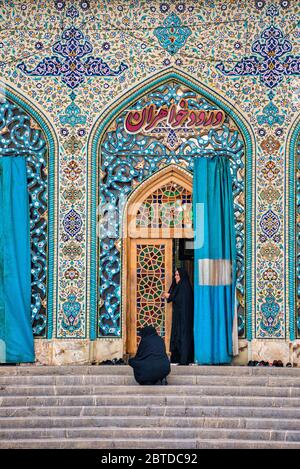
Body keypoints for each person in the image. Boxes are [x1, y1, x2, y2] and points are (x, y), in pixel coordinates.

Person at [163, 268, 194, 365]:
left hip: (184, 319)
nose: (175, 277)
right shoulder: (180, 286)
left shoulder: (185, 287)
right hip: (179, 318)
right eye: (175, 275)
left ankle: (184, 359)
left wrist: (170, 296)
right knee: (178, 335)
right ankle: (178, 358)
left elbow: (180, 299)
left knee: (183, 336)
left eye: (177, 275)